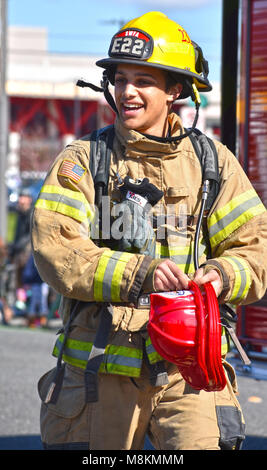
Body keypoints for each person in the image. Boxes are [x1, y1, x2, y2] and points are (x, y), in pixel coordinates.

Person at [32, 12, 267, 450]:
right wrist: (140, 273)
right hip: (98, 373)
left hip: (190, 372)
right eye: (120, 79)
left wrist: (220, 275)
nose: (127, 92)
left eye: (143, 80)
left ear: (175, 90)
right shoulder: (82, 161)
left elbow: (255, 247)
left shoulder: (212, 164)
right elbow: (56, 251)